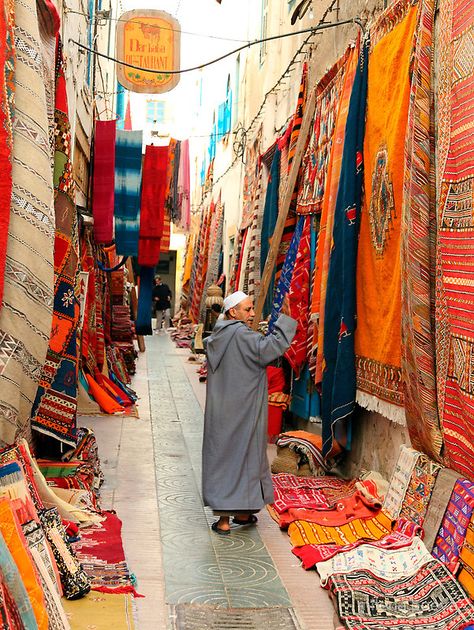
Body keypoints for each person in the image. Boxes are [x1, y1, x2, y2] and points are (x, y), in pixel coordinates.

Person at [202, 290, 296, 535]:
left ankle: (237, 514)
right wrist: (285, 318)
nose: (253, 313)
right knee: (245, 456)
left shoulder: (219, 334)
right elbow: (270, 348)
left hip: (221, 409)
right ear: (233, 312)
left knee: (223, 457)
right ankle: (229, 518)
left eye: (253, 308)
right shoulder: (240, 334)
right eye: (248, 309)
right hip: (243, 409)